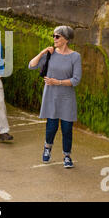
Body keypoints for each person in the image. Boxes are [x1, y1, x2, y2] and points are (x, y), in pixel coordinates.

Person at [28, 25, 82, 168]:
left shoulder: (75, 57)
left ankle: (67, 156)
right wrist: (42, 52)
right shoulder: (50, 54)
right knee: (51, 127)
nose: (54, 39)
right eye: (53, 36)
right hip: (51, 96)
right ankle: (47, 147)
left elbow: (76, 80)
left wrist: (56, 82)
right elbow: (31, 65)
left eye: (57, 36)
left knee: (67, 129)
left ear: (66, 39)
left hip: (67, 98)